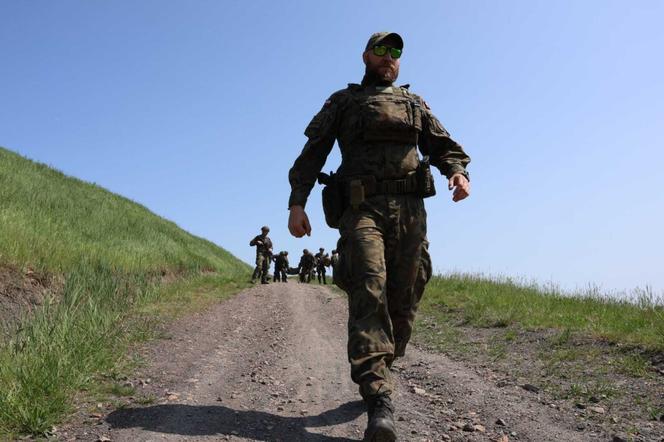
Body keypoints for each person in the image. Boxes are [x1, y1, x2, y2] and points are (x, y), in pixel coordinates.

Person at [287, 32, 471, 441]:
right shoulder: (344, 102)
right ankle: (378, 399)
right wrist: (297, 202)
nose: (389, 57)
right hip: (362, 209)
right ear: (366, 56)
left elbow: (443, 146)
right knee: (369, 285)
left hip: (409, 213)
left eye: (396, 51)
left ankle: (387, 361)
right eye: (381, 50)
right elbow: (312, 153)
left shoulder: (414, 103)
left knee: (404, 296)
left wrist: (457, 172)